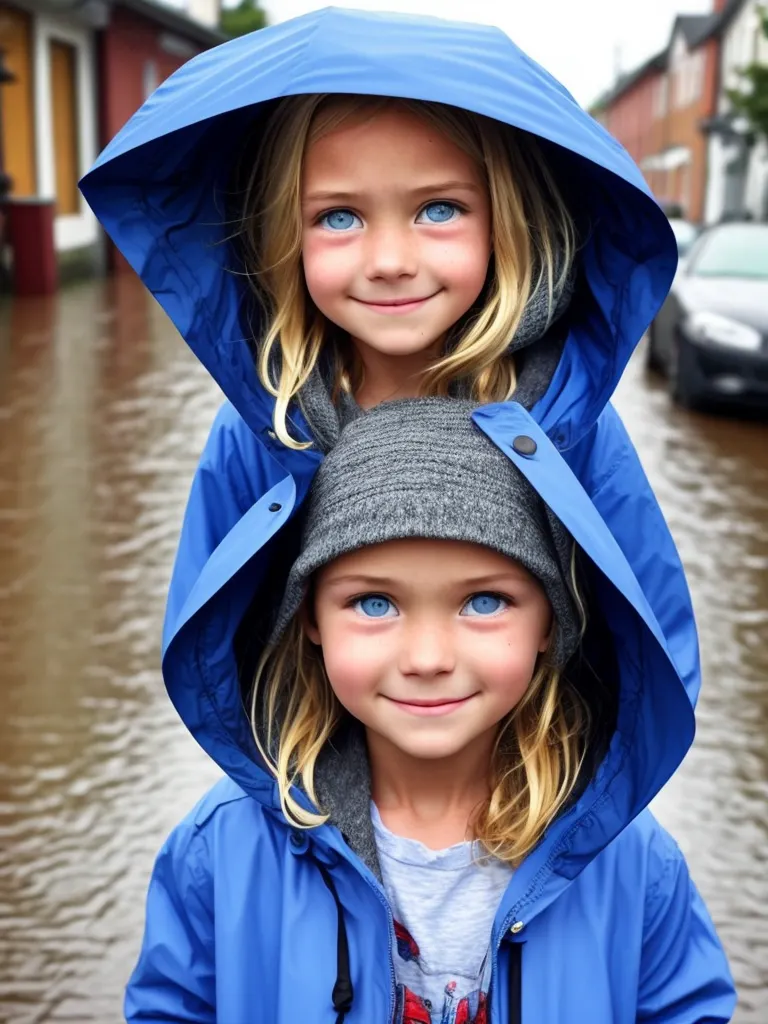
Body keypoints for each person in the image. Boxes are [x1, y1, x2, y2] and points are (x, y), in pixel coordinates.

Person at [79, 8, 700, 727]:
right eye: (339, 217)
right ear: (285, 237)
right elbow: (221, 643)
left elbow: (639, 650)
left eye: (438, 209)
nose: (390, 261)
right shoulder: (260, 427)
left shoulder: (568, 422)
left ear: (504, 223)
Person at [124, 399, 735, 1022]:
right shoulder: (220, 850)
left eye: (485, 602)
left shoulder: (630, 860)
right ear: (309, 618)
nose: (427, 658)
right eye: (374, 604)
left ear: (552, 622)